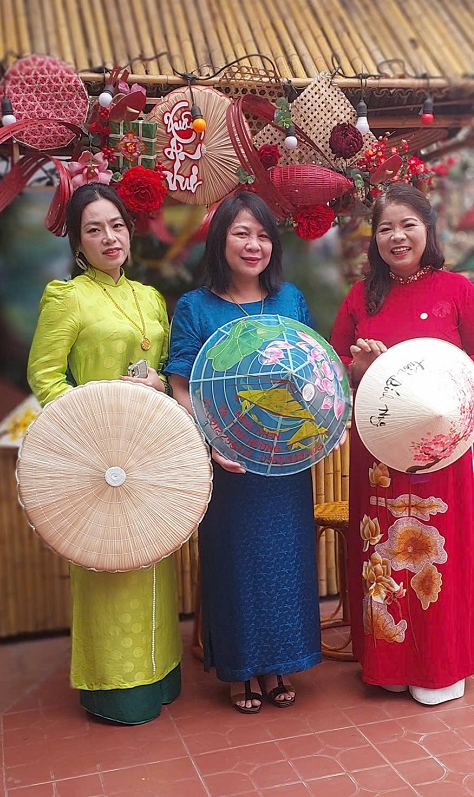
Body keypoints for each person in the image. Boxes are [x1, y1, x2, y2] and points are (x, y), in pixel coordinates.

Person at [330, 182, 474, 706]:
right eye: (385, 228)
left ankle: (439, 665)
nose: (397, 236)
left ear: (427, 230)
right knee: (381, 554)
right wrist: (360, 367)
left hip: (440, 447)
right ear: (375, 239)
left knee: (439, 553)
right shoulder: (360, 297)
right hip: (380, 448)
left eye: (407, 224)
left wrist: (436, 373)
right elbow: (334, 367)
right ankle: (388, 663)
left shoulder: (456, 289)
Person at [27, 182, 182, 725]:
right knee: (110, 565)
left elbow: (166, 369)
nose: (109, 238)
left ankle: (162, 674)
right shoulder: (67, 297)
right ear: (78, 242)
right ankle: (116, 689)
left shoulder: (149, 297)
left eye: (116, 225)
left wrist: (159, 385)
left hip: (149, 455)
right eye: (94, 229)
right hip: (99, 461)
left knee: (155, 557)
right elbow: (45, 377)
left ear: (129, 231)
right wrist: (89, 423)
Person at [165, 190, 321, 713]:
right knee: (236, 562)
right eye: (241, 234)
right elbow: (181, 382)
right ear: (220, 241)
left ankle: (280, 663)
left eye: (263, 236)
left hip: (285, 456)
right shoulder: (196, 307)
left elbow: (312, 370)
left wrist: (322, 424)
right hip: (228, 460)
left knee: (286, 560)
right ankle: (240, 669)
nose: (254, 245)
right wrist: (210, 440)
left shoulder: (289, 300)